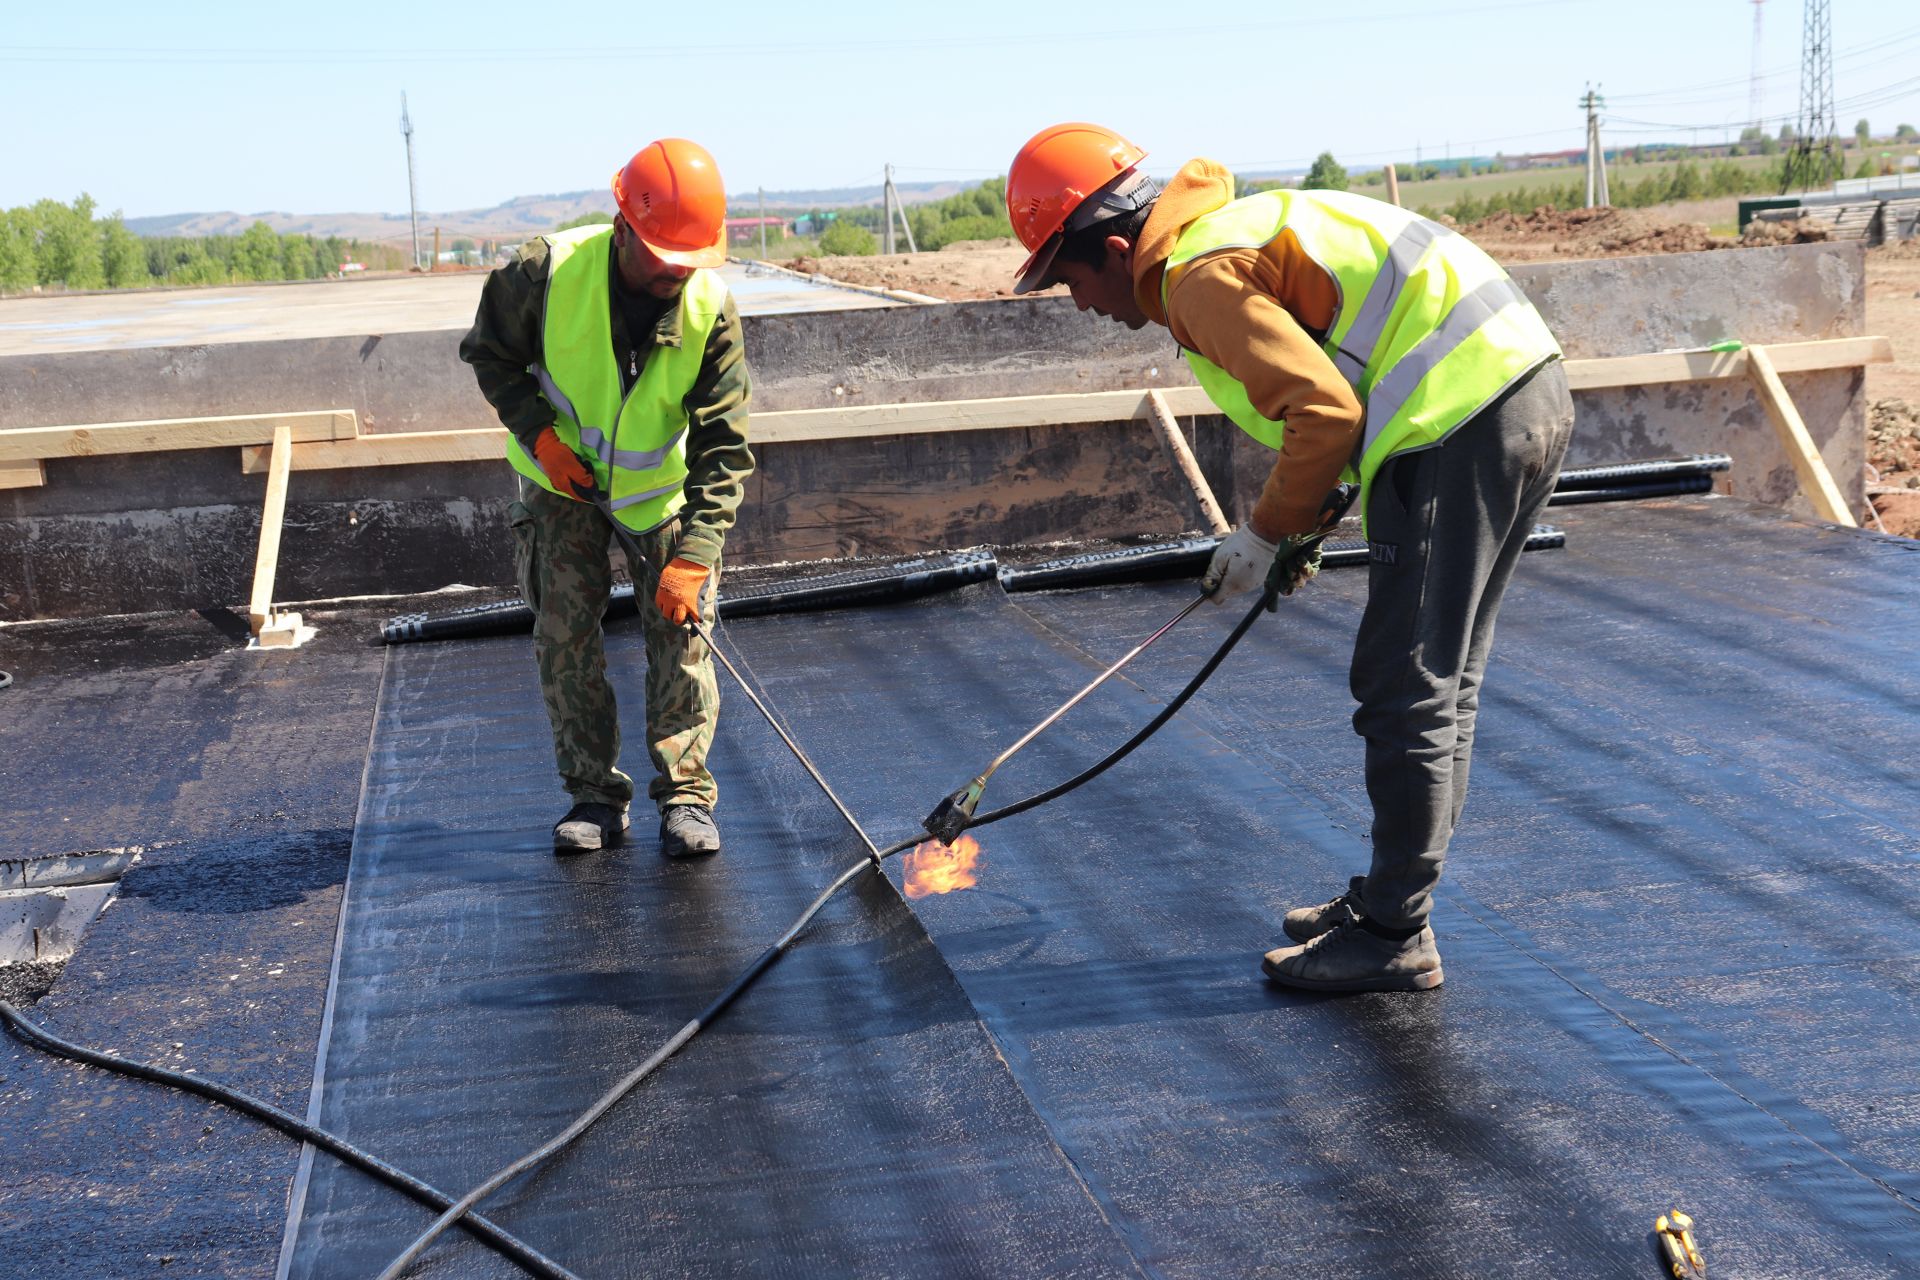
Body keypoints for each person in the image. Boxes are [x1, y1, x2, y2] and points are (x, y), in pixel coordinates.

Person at [1006, 123, 1573, 993]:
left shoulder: (1199, 277)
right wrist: (1302, 525)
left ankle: (1394, 934)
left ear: (1117, 249)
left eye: (1069, 278)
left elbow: (1327, 416)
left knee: (1406, 684)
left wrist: (1264, 531)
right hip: (1510, 393)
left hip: (1461, 416)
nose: (1077, 301)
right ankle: (1391, 900)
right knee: (1438, 682)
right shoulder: (1224, 238)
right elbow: (1351, 381)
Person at [459, 138, 753, 858]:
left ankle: (685, 797)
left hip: (660, 498)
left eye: (689, 259)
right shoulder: (544, 274)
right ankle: (594, 795)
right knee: (566, 639)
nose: (676, 272)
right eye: (663, 256)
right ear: (623, 226)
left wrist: (699, 549)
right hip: (561, 487)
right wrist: (541, 437)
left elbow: (725, 445)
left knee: (682, 640)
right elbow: (489, 353)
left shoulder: (709, 307)